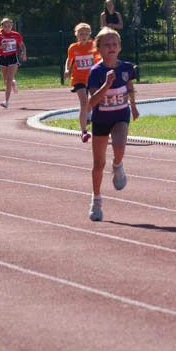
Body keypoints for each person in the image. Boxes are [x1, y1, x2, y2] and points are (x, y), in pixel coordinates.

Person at [84, 27, 140, 222]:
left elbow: (130, 87)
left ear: (120, 47)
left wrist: (133, 106)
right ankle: (96, 200)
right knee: (98, 163)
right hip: (101, 119)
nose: (111, 48)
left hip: (120, 115)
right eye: (107, 45)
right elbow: (91, 102)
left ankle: (118, 165)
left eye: (114, 44)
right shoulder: (96, 72)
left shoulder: (126, 68)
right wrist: (106, 85)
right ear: (98, 48)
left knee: (119, 146)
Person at [64, 22, 100, 142]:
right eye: (81, 33)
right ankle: (83, 132)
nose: (83, 36)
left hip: (92, 78)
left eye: (86, 33)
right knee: (84, 101)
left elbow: (100, 59)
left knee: (93, 101)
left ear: (90, 34)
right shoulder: (73, 47)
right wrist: (67, 69)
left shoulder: (94, 45)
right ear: (77, 35)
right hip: (78, 78)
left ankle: (89, 116)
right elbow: (69, 59)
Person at [0, 18, 26, 108]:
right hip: (3, 58)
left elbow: (22, 45)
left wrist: (24, 53)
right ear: (2, 26)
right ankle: (13, 83)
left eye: (9, 26)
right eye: (5, 26)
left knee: (9, 79)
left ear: (12, 26)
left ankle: (6, 101)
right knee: (6, 81)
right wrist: (2, 46)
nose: (7, 28)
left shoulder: (16, 35)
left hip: (13, 58)